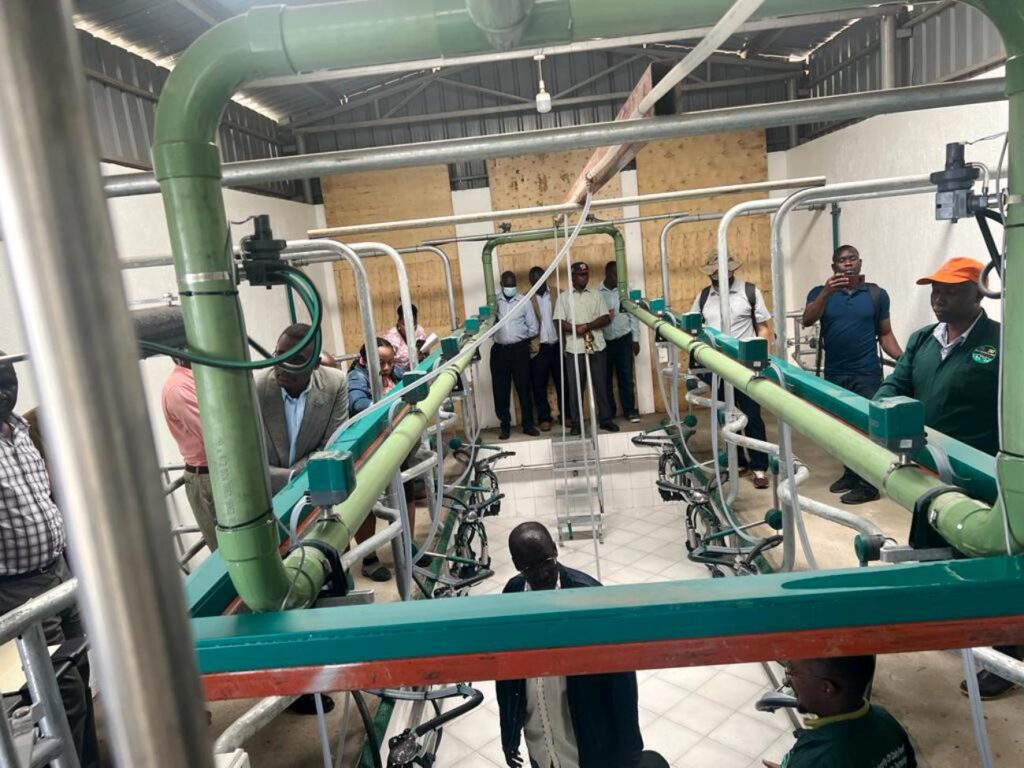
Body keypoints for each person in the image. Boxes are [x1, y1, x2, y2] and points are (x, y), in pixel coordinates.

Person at [872, 257, 1017, 699]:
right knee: (933, 549)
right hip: (927, 466)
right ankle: (952, 624)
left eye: (951, 290)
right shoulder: (922, 340)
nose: (939, 297)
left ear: (978, 293)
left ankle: (1007, 656)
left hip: (983, 472)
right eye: (935, 289)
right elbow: (896, 385)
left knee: (990, 562)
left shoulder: (1003, 343)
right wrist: (882, 407)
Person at [0, 356, 99, 767]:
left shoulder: (22, 431)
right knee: (62, 692)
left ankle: (90, 760)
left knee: (82, 668)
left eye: (10, 380)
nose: (6, 391)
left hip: (60, 573)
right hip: (19, 590)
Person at [497, 522, 645, 768]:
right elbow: (506, 675)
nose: (542, 573)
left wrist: (630, 749)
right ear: (516, 565)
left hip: (585, 745)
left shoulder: (589, 598)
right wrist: (509, 734)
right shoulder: (512, 596)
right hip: (540, 744)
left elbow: (622, 683)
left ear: (555, 550)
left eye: (546, 562)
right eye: (530, 567)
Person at [803, 245, 903, 505]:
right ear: (833, 265)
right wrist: (826, 291)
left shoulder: (876, 294)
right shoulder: (819, 293)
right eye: (841, 260)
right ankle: (851, 472)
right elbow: (807, 319)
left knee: (868, 429)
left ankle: (869, 484)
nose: (847, 264)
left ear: (860, 263)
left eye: (852, 259)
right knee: (842, 427)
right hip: (835, 372)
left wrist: (904, 361)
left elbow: (885, 333)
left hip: (867, 373)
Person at [691, 250, 773, 490]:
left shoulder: (749, 292)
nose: (717, 277)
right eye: (713, 274)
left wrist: (763, 361)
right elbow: (694, 327)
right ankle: (737, 463)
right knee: (726, 415)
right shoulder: (704, 296)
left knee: (752, 417)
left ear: (733, 270)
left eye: (722, 272)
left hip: (744, 367)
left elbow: (763, 328)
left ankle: (759, 466)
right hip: (717, 367)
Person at [764, 655, 916, 768]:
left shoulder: (819, 757)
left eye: (792, 672)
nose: (788, 681)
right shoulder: (885, 720)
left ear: (826, 688)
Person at [256, 323, 348, 494]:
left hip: (316, 489)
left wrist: (299, 480)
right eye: (280, 355)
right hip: (267, 493)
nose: (283, 365)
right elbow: (248, 459)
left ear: (315, 364)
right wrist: (291, 477)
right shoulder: (255, 390)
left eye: (296, 360)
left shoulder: (335, 384)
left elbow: (332, 444)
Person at [348, 337, 405, 581]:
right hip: (364, 449)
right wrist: (390, 403)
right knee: (366, 502)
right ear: (364, 360)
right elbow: (359, 404)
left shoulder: (392, 371)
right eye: (381, 362)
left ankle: (406, 546)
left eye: (390, 362)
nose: (386, 368)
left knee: (405, 490)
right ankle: (369, 559)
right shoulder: (357, 378)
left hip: (388, 442)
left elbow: (406, 376)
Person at [553, 262, 618, 436]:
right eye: (581, 275)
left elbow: (605, 318)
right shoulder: (564, 297)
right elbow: (557, 321)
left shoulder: (596, 295)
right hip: (575, 349)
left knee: (601, 384)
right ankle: (577, 423)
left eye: (586, 275)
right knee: (575, 388)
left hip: (596, 346)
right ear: (573, 276)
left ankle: (605, 419)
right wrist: (576, 329)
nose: (584, 278)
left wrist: (587, 326)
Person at [161, 359, 218, 550]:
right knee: (226, 551)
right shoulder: (178, 388)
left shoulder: (199, 377)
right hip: (207, 478)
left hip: (215, 472)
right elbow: (214, 433)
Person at [492, 271, 540, 440]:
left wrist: (518, 336)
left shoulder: (524, 301)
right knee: (501, 390)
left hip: (520, 350)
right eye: (507, 285)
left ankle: (528, 425)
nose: (510, 288)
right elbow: (488, 325)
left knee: (524, 388)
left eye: (513, 285)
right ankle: (505, 426)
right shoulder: (494, 302)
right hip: (500, 351)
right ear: (501, 284)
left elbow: (533, 327)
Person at [599, 261, 641, 424]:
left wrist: (635, 340)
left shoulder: (626, 291)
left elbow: (634, 316)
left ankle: (630, 410)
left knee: (626, 378)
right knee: (605, 379)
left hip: (624, 339)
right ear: (608, 274)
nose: (618, 279)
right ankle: (610, 411)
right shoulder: (597, 293)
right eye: (616, 275)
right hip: (604, 342)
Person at [528, 265, 562, 432]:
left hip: (558, 345)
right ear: (530, 282)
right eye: (534, 281)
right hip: (538, 348)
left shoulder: (558, 294)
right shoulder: (527, 299)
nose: (537, 282)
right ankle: (544, 418)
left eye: (540, 279)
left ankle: (567, 415)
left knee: (563, 382)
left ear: (546, 277)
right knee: (539, 385)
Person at [383, 303, 427, 371]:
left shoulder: (419, 331)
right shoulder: (391, 338)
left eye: (414, 324)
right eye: (404, 324)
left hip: (418, 367)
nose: (410, 328)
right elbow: (387, 364)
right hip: (397, 373)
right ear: (399, 322)